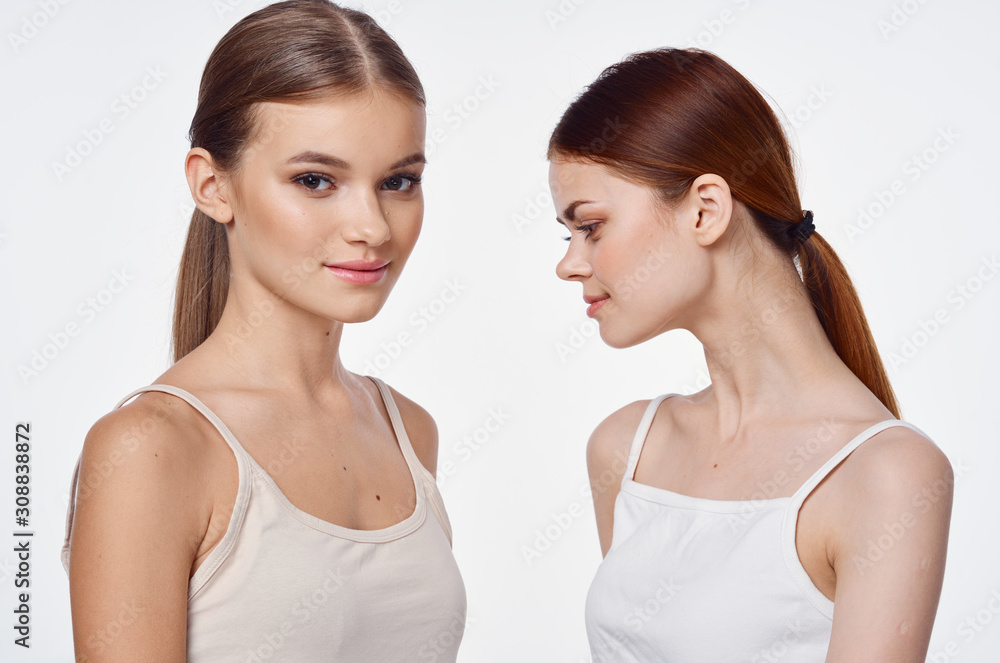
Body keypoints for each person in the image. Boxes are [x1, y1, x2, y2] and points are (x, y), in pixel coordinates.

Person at [60, 1, 466, 660]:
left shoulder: (408, 430)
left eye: (398, 180)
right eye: (315, 179)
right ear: (212, 184)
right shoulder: (150, 450)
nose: (372, 226)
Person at [548, 48, 952, 661]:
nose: (569, 264)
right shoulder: (629, 448)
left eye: (592, 226)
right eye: (568, 234)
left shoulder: (885, 475)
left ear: (705, 209)